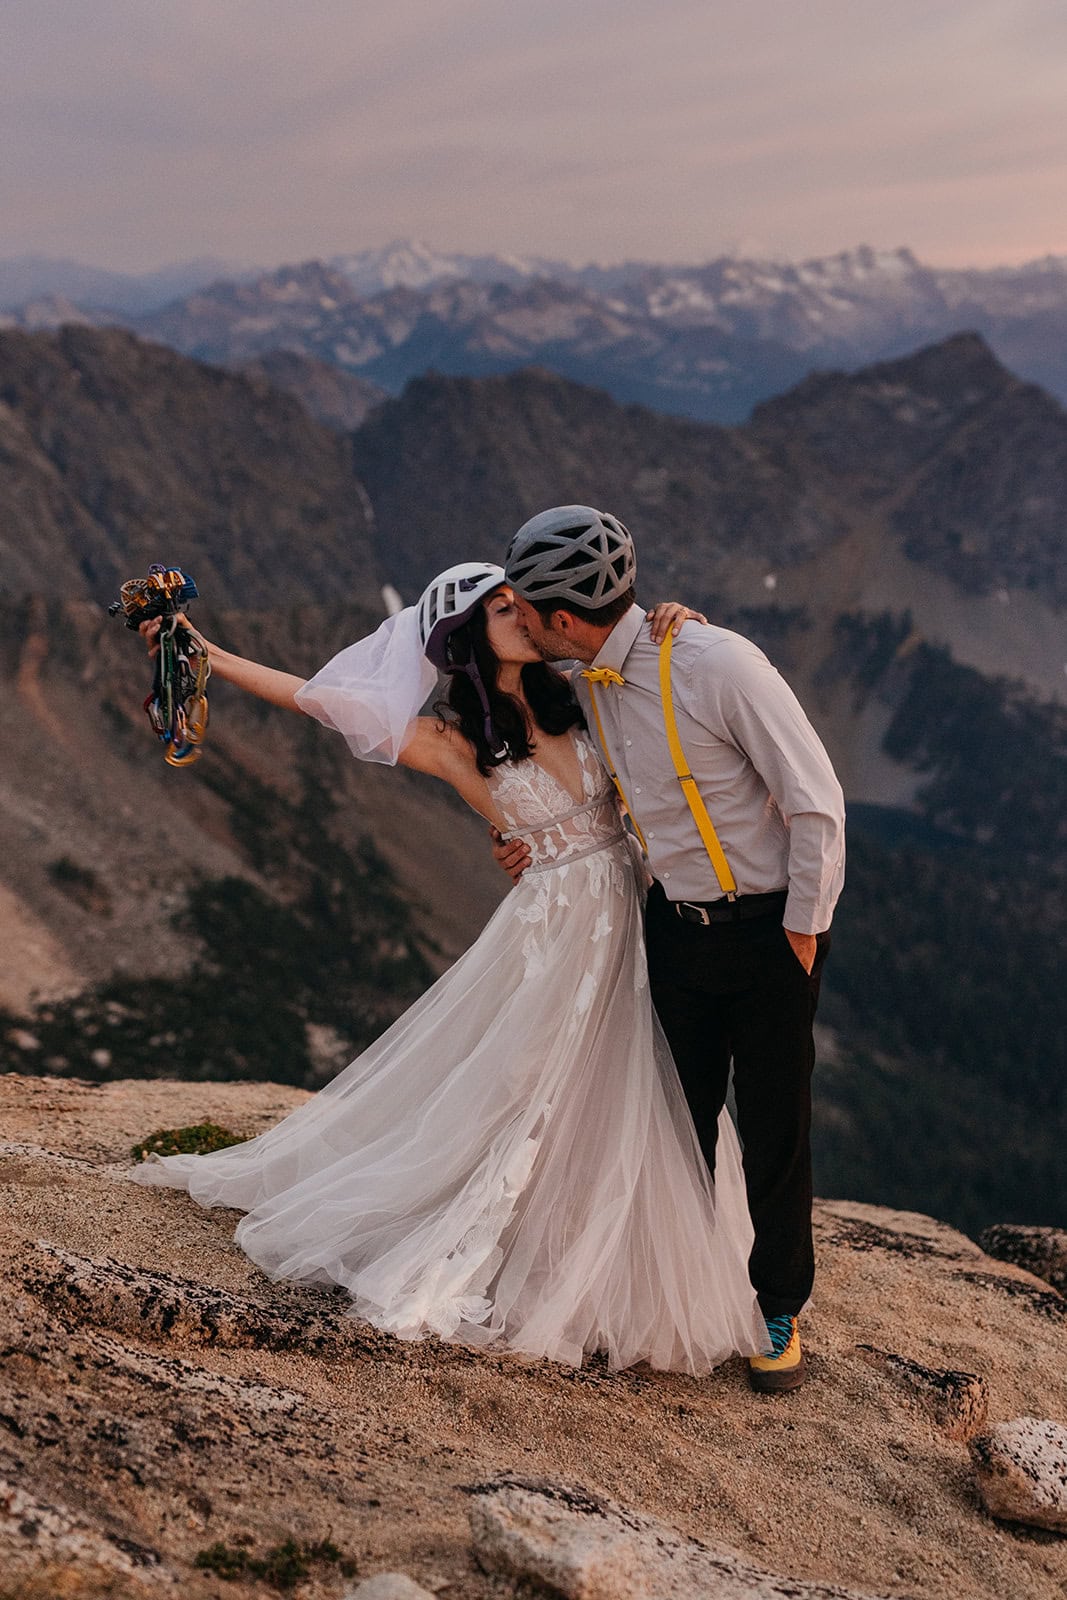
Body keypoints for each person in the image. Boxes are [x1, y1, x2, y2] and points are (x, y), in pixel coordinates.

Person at [127, 565, 768, 1374]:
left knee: (647, 1085)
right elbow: (315, 700)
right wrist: (196, 648)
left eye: (521, 599)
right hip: (556, 934)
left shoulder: (586, 690)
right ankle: (528, 1253)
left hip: (636, 921)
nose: (522, 610)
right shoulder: (457, 742)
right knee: (535, 1090)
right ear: (466, 634)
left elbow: (649, 666)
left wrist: (679, 620)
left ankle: (616, 1254)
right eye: (502, 606)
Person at [496, 507, 846, 1392]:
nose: (523, 622)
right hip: (675, 931)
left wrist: (800, 934)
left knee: (774, 1126)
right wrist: (530, 844)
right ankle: (671, 1291)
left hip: (769, 932)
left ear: (565, 618)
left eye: (529, 609)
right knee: (671, 1121)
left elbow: (814, 803)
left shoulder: (714, 663)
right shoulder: (590, 680)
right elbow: (618, 806)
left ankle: (776, 1307)